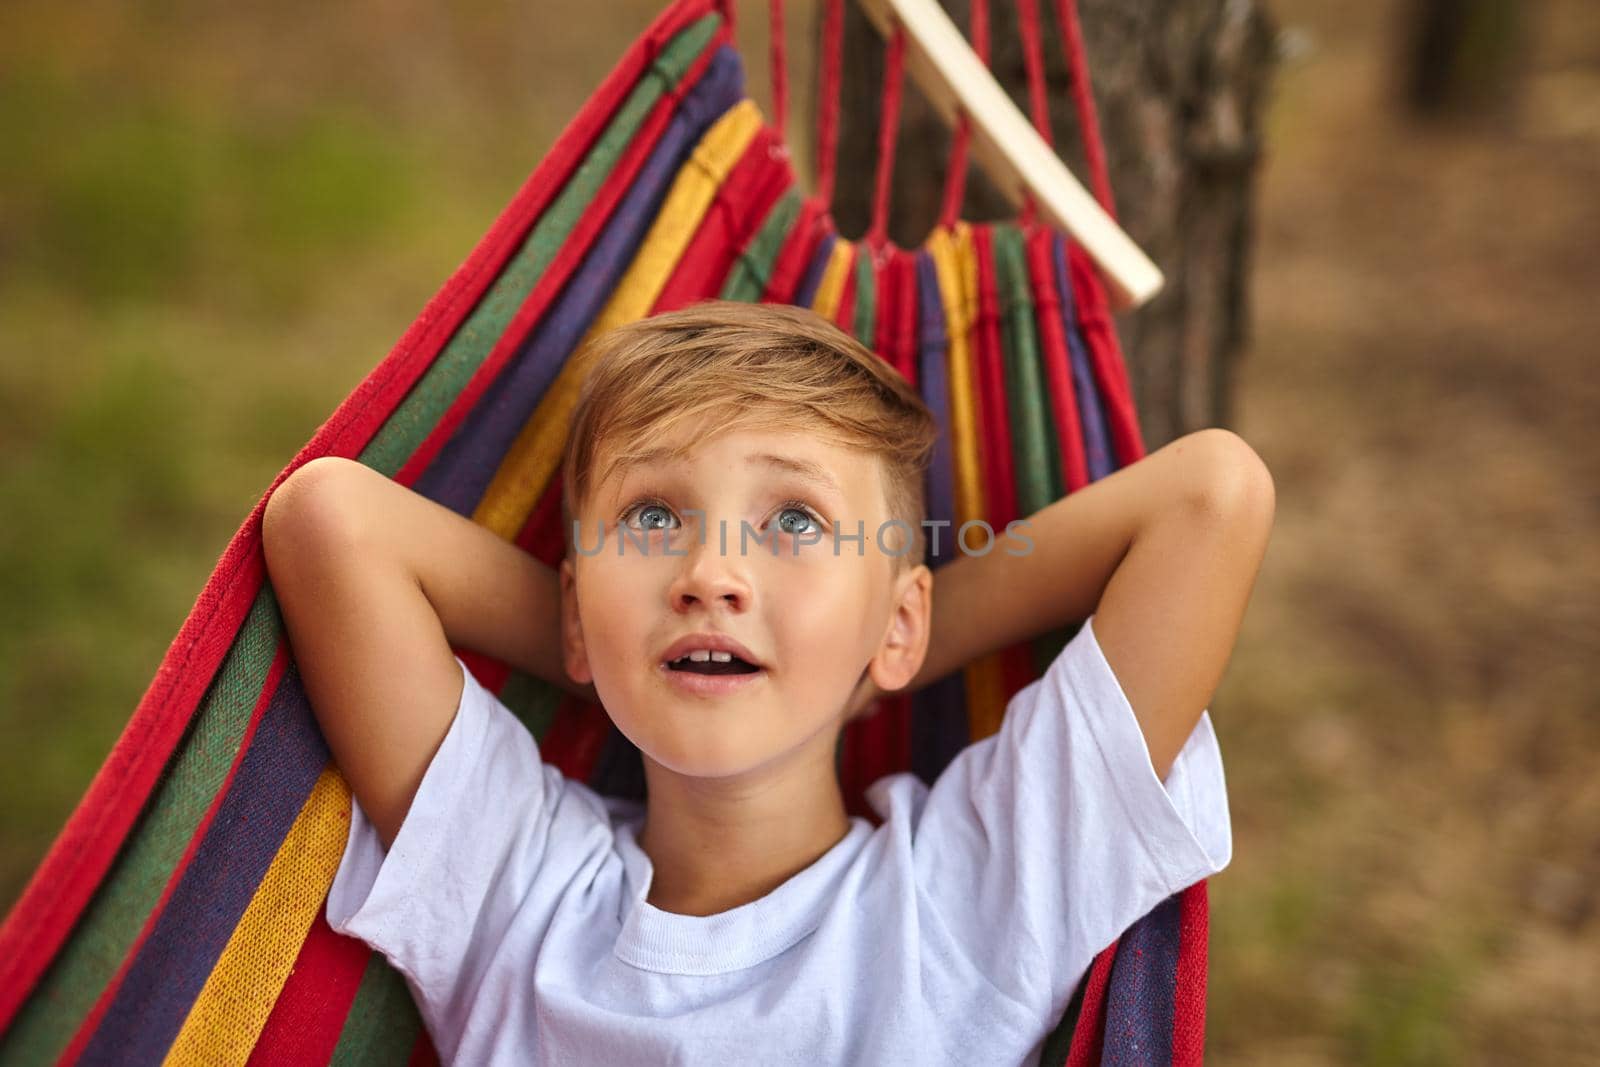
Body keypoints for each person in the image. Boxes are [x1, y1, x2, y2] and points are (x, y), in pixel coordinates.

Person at [261, 300, 1272, 1065]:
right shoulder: (518, 893)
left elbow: (1210, 498)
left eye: (792, 521)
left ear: (901, 620)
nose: (709, 573)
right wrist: (607, 637)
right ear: (575, 608)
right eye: (654, 516)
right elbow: (331, 523)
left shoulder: (967, 900)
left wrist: (877, 656)